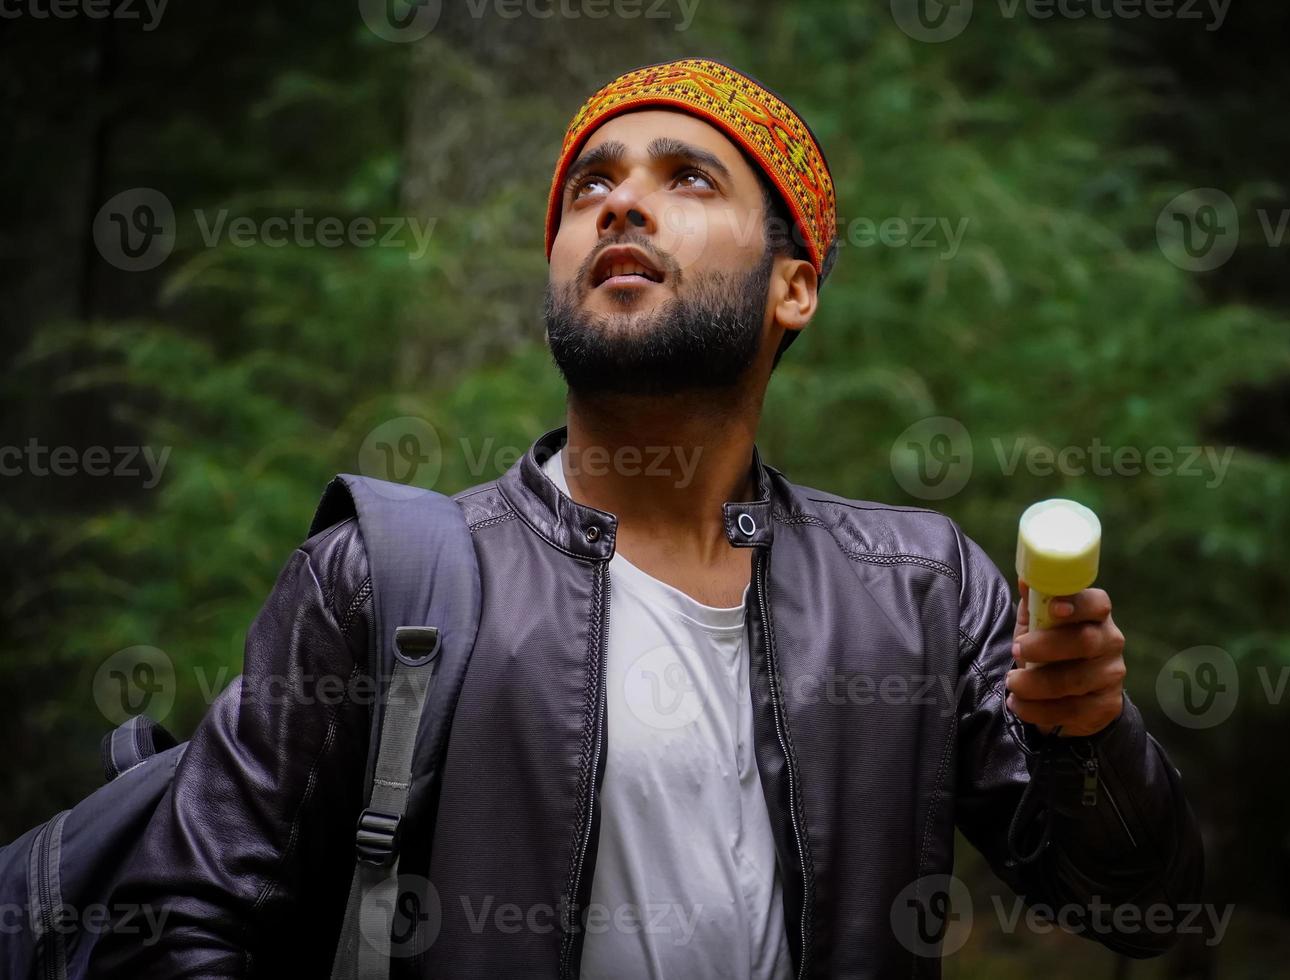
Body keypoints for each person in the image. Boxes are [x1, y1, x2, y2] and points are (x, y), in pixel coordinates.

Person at [92, 57, 1203, 978]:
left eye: (688, 178)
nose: (619, 201)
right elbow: (178, 921)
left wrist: (1082, 739)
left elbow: (1142, 906)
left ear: (794, 288)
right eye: (590, 187)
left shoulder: (920, 588)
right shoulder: (383, 578)